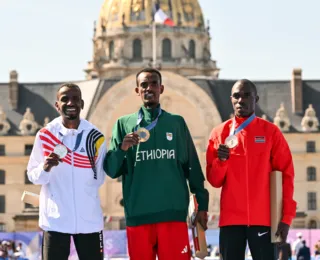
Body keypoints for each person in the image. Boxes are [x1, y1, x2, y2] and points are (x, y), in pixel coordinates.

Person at [104, 68, 209, 260]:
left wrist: (202, 205)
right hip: (138, 216)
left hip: (173, 215)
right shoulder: (123, 124)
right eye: (144, 85)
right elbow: (111, 170)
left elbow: (192, 167)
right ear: (137, 90)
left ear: (161, 88)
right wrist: (122, 148)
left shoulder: (176, 123)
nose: (149, 88)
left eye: (153, 84)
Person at [206, 79, 296, 260]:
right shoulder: (219, 133)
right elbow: (214, 181)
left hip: (263, 220)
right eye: (237, 96)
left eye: (247, 95)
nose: (241, 100)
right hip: (230, 221)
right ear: (231, 99)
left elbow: (286, 176)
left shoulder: (271, 132)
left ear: (256, 99)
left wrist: (286, 218)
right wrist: (221, 161)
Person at [27, 83, 107, 260]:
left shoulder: (96, 136)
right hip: (55, 222)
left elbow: (99, 177)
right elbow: (33, 175)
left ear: (82, 104)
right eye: (65, 99)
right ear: (57, 105)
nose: (71, 102)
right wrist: (45, 168)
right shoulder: (45, 135)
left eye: (75, 99)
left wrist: (84, 199)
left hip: (89, 222)